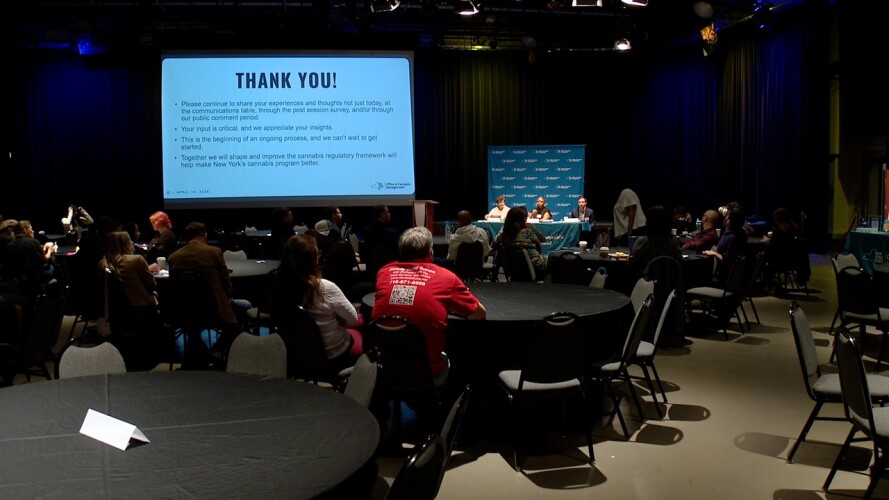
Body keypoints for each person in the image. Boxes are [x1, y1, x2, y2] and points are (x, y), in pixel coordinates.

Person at [372, 226, 486, 385]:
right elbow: (479, 314)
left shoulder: (384, 272)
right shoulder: (446, 277)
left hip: (384, 367)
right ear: (430, 253)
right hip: (425, 372)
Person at [273, 234, 362, 370]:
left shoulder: (278, 286)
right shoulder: (325, 288)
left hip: (294, 352)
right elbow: (352, 319)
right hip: (331, 354)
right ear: (313, 259)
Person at [168, 221, 252, 358]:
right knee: (245, 305)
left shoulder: (173, 257)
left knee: (193, 320)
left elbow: (173, 287)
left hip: (185, 310)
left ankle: (196, 344)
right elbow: (228, 286)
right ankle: (219, 348)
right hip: (214, 308)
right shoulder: (214, 252)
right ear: (204, 235)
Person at [101, 231, 158, 309]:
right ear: (125, 244)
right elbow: (152, 285)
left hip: (116, 309)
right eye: (129, 240)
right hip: (140, 307)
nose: (132, 242)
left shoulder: (104, 263)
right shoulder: (137, 259)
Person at [492, 206, 547, 277]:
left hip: (513, 273)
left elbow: (493, 246)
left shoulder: (503, 236)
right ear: (523, 220)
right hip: (534, 269)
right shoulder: (529, 232)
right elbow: (539, 247)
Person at [628, 205, 682, 274]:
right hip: (669, 279)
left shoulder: (644, 241)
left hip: (647, 279)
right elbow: (679, 261)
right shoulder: (673, 241)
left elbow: (632, 263)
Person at [704, 207, 748, 285]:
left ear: (731, 221)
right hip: (735, 277)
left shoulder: (731, 237)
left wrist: (714, 253)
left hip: (723, 278)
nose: (726, 219)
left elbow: (727, 259)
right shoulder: (742, 234)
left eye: (728, 218)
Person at [362, 205, 401, 278]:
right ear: (382, 214)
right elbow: (397, 254)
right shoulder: (392, 233)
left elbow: (365, 254)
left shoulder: (367, 231)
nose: (389, 214)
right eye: (388, 212)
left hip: (372, 272)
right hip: (389, 271)